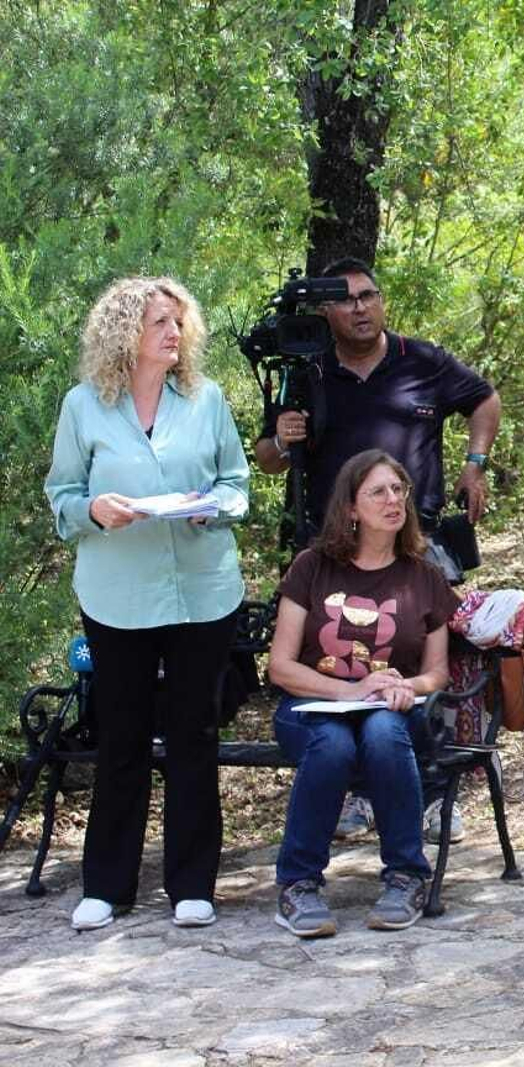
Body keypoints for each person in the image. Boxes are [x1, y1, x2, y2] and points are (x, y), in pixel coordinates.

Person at [254, 257, 499, 844]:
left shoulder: (423, 361)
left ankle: (437, 795)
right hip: (332, 548)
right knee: (340, 658)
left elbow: (485, 400)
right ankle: (352, 796)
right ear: (327, 313)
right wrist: (281, 440)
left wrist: (475, 464)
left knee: (426, 666)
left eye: (369, 295)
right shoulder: (305, 373)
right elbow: (266, 458)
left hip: (421, 545)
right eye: (346, 300)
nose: (360, 308)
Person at [45, 276, 250, 931]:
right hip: (117, 598)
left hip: (203, 593)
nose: (173, 332)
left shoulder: (207, 400)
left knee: (193, 734)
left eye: (178, 321)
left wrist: (210, 508)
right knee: (122, 738)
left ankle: (194, 886)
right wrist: (93, 511)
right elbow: (62, 497)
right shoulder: (83, 406)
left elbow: (237, 485)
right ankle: (107, 886)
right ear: (123, 332)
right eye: (159, 321)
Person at [267, 449, 459, 937]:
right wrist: (349, 688)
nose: (393, 500)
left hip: (392, 711)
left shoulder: (425, 577)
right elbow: (281, 666)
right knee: (331, 744)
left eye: (399, 490)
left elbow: (437, 673)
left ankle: (405, 876)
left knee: (382, 732)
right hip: (311, 707)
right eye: (378, 491)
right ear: (351, 508)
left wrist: (403, 686)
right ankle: (298, 886)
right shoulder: (313, 567)